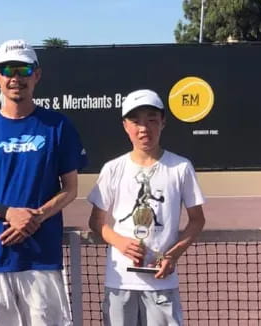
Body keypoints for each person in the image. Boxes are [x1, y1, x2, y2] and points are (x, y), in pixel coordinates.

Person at [0, 39, 87, 326]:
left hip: (41, 257)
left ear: (37, 75)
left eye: (24, 70)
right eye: (7, 70)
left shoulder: (58, 126)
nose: (16, 78)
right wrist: (9, 214)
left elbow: (71, 188)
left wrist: (36, 217)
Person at [87, 89, 206, 326]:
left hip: (163, 282)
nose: (144, 128)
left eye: (151, 119)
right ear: (125, 126)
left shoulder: (181, 167)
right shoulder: (113, 168)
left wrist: (172, 256)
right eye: (136, 121)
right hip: (120, 282)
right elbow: (96, 222)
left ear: (163, 122)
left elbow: (197, 220)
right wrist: (121, 242)